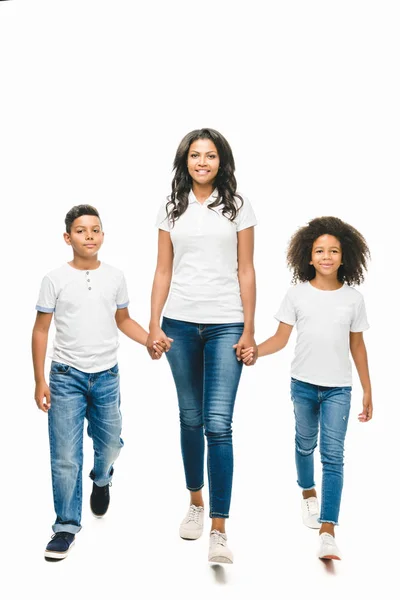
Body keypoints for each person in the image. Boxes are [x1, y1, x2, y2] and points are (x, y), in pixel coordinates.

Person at [147, 128, 257, 563]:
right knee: (190, 417)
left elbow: (246, 270)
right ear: (185, 161)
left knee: (218, 423)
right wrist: (154, 324)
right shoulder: (171, 207)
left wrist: (248, 330)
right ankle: (195, 502)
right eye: (195, 155)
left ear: (221, 161)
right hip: (179, 322)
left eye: (211, 156)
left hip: (226, 323)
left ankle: (219, 528)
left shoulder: (239, 206)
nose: (203, 162)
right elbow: (161, 270)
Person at [32, 204, 165, 561]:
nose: (88, 236)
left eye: (95, 230)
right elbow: (41, 330)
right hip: (65, 378)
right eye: (80, 230)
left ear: (103, 236)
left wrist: (150, 340)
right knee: (65, 456)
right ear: (67, 237)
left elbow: (124, 319)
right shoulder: (54, 279)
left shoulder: (115, 276)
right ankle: (65, 527)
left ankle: (102, 477)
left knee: (110, 443)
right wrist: (39, 380)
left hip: (106, 376)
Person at [239, 216, 372, 560]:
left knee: (333, 456)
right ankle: (307, 492)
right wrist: (255, 351)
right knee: (304, 443)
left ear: (345, 258)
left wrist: (368, 390)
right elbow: (281, 339)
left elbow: (357, 346)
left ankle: (328, 531)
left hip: (338, 390)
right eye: (319, 251)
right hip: (302, 385)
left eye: (333, 251)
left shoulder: (353, 299)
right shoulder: (296, 294)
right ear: (308, 257)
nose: (326, 256)